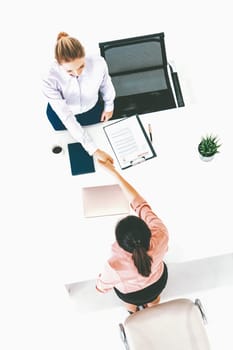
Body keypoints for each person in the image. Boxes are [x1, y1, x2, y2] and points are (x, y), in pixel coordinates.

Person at [96, 160, 169, 314]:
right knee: (154, 299)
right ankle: (153, 307)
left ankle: (133, 312)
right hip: (157, 284)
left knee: (129, 304)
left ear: (121, 244)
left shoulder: (114, 264)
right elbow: (141, 205)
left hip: (132, 295)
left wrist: (98, 284)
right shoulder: (161, 234)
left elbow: (102, 287)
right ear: (148, 231)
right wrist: (114, 173)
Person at [42, 32, 116, 163]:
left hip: (93, 110)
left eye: (81, 66)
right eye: (69, 71)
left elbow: (106, 84)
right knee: (69, 149)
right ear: (59, 64)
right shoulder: (49, 77)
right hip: (62, 117)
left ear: (84, 55)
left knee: (101, 139)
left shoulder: (98, 63)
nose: (77, 73)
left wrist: (109, 105)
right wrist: (94, 150)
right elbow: (66, 116)